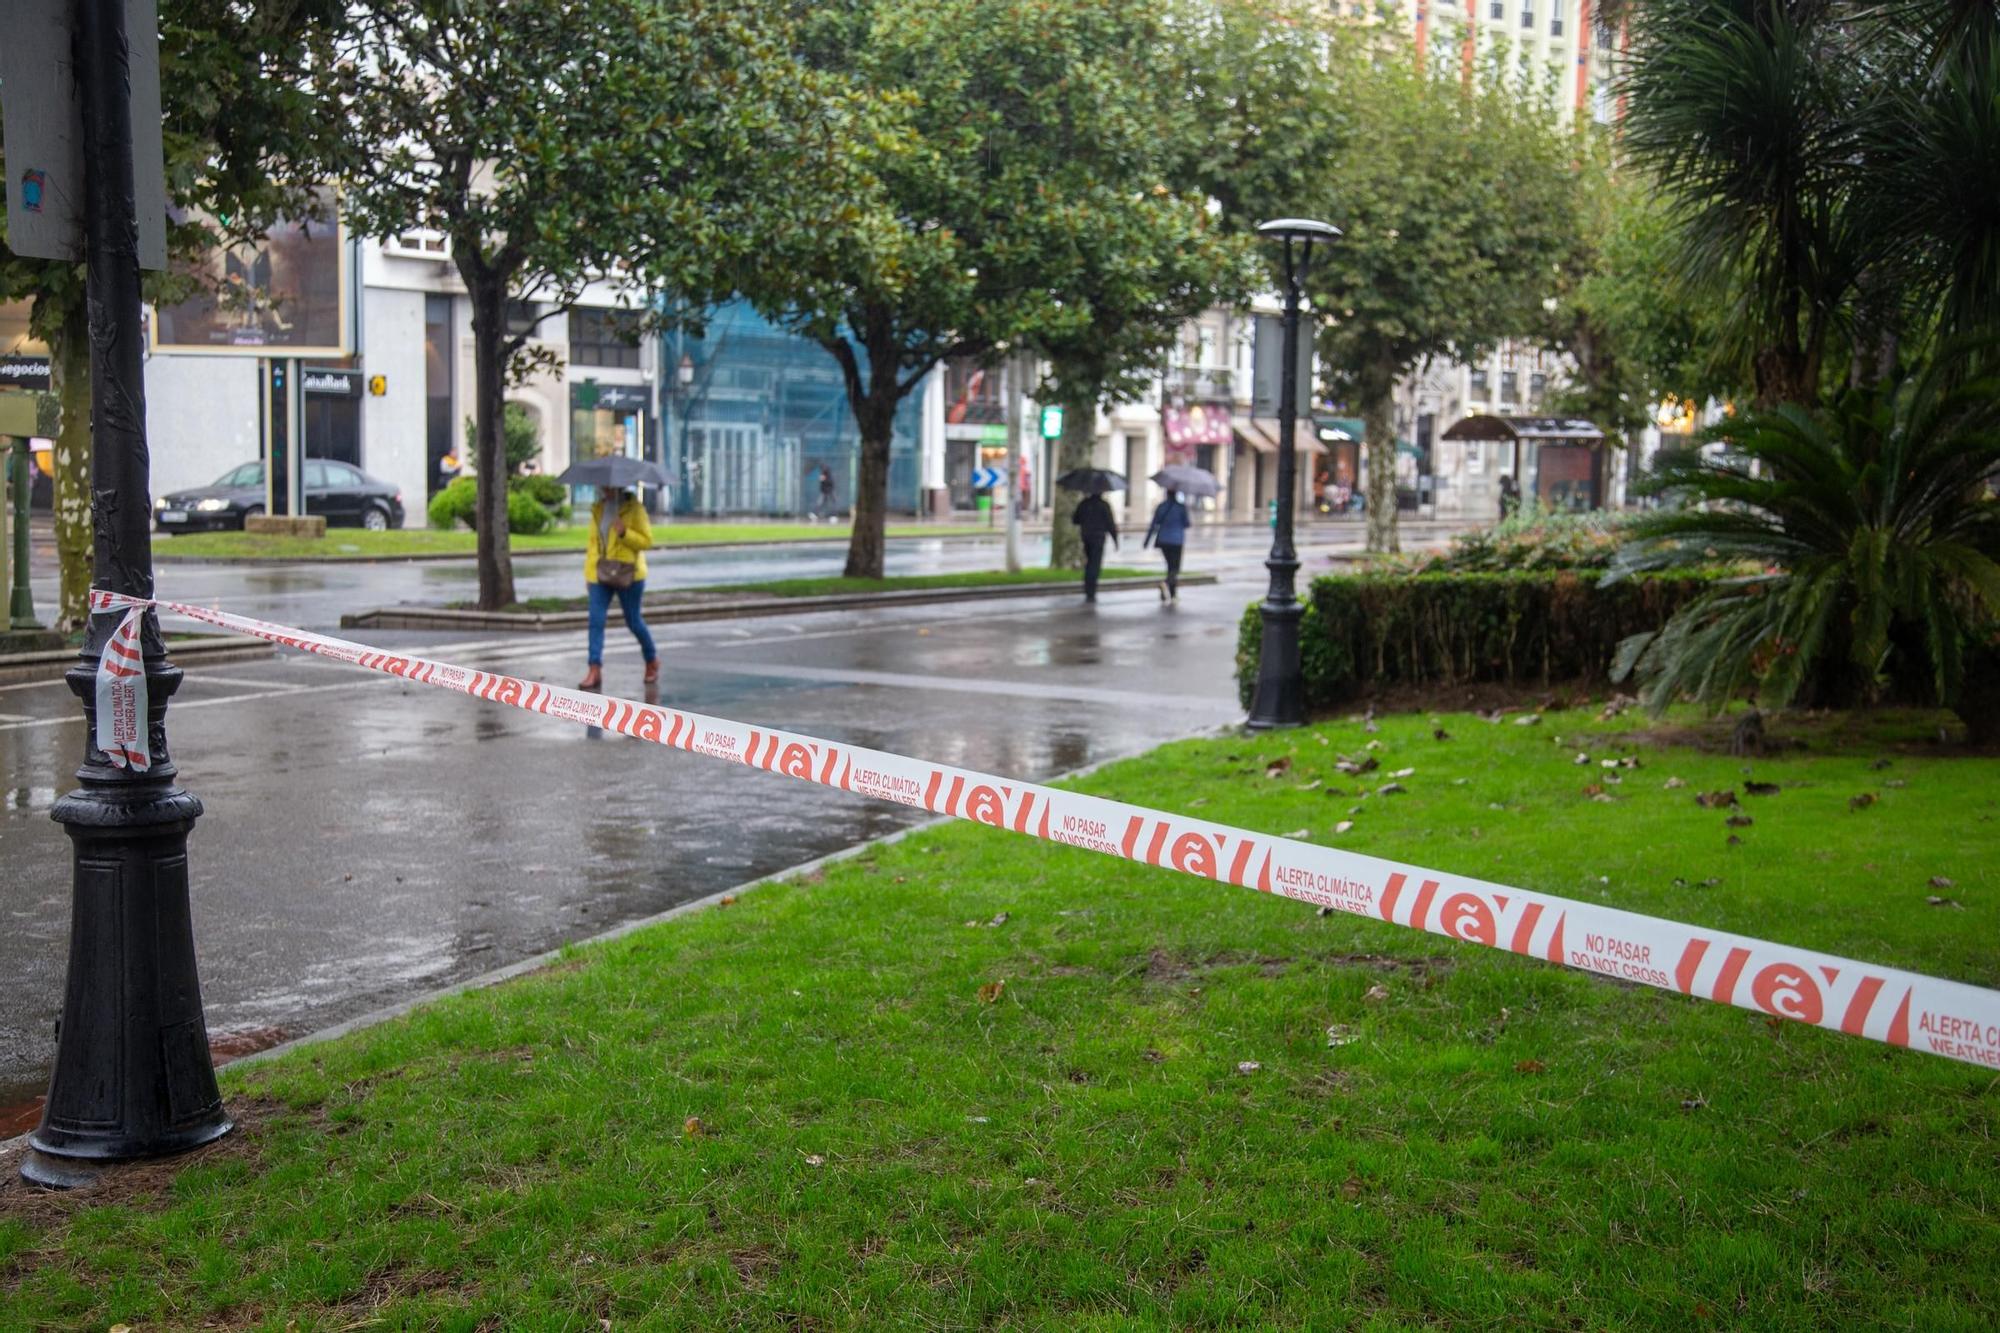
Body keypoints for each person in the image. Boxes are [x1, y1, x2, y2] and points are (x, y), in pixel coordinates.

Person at [579, 485, 658, 691]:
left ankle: (651, 660)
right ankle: (594, 668)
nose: (603, 488)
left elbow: (647, 541)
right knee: (596, 620)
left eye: (607, 485)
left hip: (628, 573)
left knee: (633, 621)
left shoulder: (635, 509)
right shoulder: (598, 508)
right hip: (601, 572)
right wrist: (589, 575)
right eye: (601, 484)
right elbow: (593, 545)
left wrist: (625, 533)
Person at [1144, 489, 1190, 602]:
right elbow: (1187, 524)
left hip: (1163, 540)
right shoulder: (1181, 507)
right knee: (1175, 568)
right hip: (1177, 541)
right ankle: (1166, 584)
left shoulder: (1161, 507)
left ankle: (1173, 594)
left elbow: (1154, 524)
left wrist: (1147, 540)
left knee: (1170, 566)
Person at [1073, 490, 1118, 602]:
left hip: (1086, 536)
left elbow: (1075, 519)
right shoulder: (1104, 505)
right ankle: (1091, 589)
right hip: (1098, 537)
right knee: (1095, 563)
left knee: (1089, 561)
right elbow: (1110, 524)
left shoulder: (1084, 503)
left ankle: (1088, 586)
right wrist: (1115, 540)